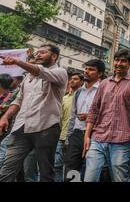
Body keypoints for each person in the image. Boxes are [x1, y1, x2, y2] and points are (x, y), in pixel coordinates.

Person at [0, 45, 68, 182]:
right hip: (21, 128)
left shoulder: (60, 72)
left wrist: (17, 62)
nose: (38, 55)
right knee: (7, 168)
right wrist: (5, 117)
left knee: (45, 172)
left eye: (42, 52)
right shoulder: (28, 77)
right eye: (37, 53)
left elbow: (40, 71)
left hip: (46, 127)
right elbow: (19, 100)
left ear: (54, 56)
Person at [83, 49, 130, 182]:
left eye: (123, 61)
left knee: (120, 179)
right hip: (98, 138)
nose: (119, 63)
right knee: (90, 178)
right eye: (117, 60)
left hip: (121, 141)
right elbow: (94, 110)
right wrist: (87, 136)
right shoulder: (104, 84)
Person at [64, 59, 105, 181]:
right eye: (86, 68)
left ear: (100, 74)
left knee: (91, 170)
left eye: (91, 69)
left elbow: (107, 114)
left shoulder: (103, 91)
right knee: (71, 168)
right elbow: (73, 115)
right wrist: (69, 136)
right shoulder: (78, 92)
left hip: (95, 135)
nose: (86, 71)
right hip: (76, 134)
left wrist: (90, 116)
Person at [54, 73, 83, 182]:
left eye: (75, 79)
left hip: (75, 137)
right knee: (57, 165)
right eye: (71, 79)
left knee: (72, 166)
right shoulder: (64, 98)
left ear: (81, 82)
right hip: (62, 137)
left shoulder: (82, 96)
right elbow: (60, 117)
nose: (72, 81)